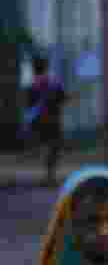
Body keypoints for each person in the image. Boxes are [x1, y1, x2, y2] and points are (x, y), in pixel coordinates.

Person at [24, 56, 68, 188]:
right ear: (46, 67)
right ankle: (49, 175)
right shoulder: (54, 83)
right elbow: (64, 98)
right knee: (55, 146)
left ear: (34, 69)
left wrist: (28, 123)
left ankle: (48, 175)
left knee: (47, 146)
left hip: (39, 122)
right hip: (53, 121)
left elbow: (29, 106)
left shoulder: (32, 86)